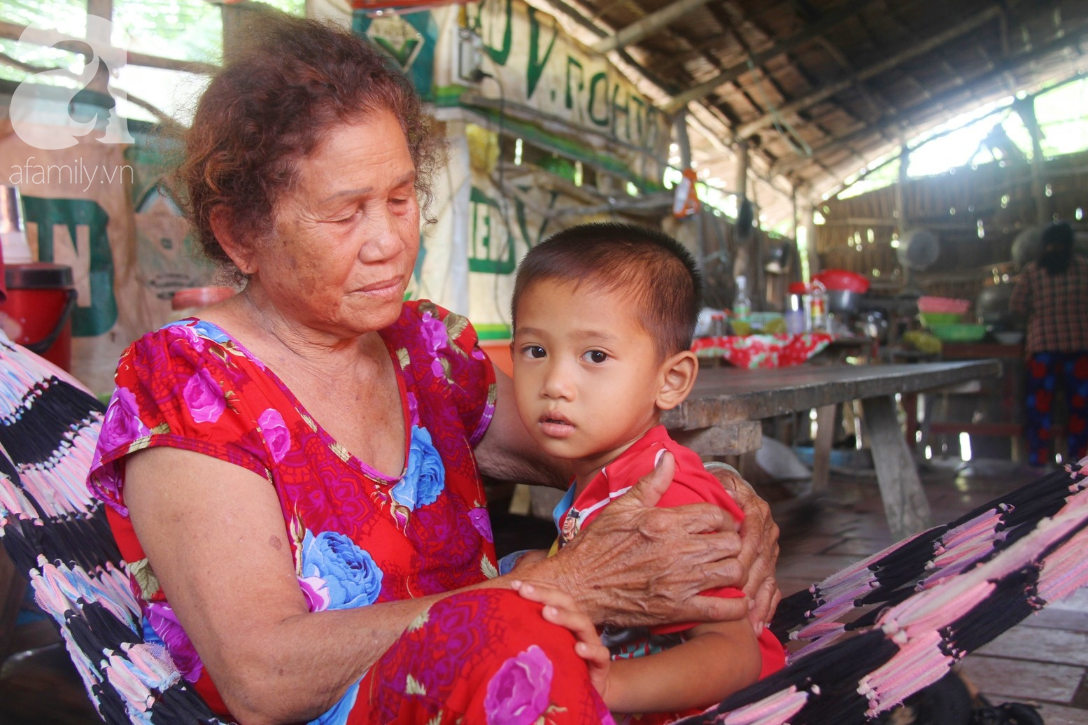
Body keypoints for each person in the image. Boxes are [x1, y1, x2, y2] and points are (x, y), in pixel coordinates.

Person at [84, 15, 781, 725]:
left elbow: (608, 441)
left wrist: (714, 501)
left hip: (501, 682)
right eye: (346, 212)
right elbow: (262, 675)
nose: (390, 240)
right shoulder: (187, 379)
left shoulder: (422, 346)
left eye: (400, 197)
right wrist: (560, 587)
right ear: (240, 234)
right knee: (527, 621)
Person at [505, 224, 786, 724]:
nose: (555, 384)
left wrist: (611, 684)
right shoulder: (605, 473)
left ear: (670, 380)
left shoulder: (669, 498)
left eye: (595, 356)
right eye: (535, 351)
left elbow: (734, 653)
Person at [1010, 221, 1088, 468]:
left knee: (1040, 408)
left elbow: (1017, 307)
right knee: (1080, 409)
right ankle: (1080, 462)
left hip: (1043, 350)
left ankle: (1038, 460)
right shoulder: (1084, 269)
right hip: (1079, 349)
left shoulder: (1033, 272)